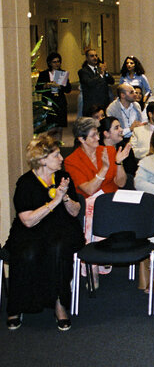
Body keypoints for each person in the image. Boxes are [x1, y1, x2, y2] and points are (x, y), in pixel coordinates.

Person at [4, 134, 85, 331]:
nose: (61, 159)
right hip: (31, 229)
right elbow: (28, 221)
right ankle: (17, 305)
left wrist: (64, 197)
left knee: (58, 249)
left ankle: (59, 304)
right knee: (27, 252)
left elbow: (75, 212)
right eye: (56, 155)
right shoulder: (26, 183)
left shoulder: (64, 177)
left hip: (61, 227)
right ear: (42, 159)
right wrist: (54, 202)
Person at [65, 117, 130, 242]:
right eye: (93, 135)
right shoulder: (72, 161)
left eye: (98, 134)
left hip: (113, 200)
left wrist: (118, 163)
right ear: (81, 139)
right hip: (91, 205)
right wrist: (104, 169)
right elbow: (89, 189)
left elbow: (121, 183)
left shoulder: (109, 151)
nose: (98, 138)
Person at [36, 52, 72, 129]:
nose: (57, 64)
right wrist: (45, 86)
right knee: (50, 127)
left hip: (60, 103)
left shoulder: (62, 73)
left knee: (60, 127)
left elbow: (68, 89)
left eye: (58, 61)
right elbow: (37, 89)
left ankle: (58, 141)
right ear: (49, 63)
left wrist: (60, 86)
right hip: (49, 103)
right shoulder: (44, 74)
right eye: (54, 62)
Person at [78, 49, 114, 113]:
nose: (95, 58)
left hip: (104, 103)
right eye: (92, 56)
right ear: (87, 58)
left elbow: (112, 81)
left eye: (96, 55)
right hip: (92, 105)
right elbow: (89, 83)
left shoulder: (100, 69)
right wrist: (101, 75)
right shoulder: (83, 71)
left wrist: (105, 72)